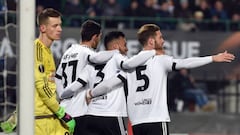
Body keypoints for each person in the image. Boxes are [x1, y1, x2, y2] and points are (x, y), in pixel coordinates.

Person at [86, 24, 235, 135]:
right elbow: (186, 62)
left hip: (137, 122)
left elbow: (110, 83)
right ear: (151, 41)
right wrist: (213, 58)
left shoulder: (130, 64)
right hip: (156, 119)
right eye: (160, 37)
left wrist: (92, 93)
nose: (163, 41)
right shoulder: (161, 60)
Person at [61, 30, 156, 135]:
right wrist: (152, 52)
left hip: (91, 116)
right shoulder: (118, 58)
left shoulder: (91, 63)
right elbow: (116, 78)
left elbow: (74, 86)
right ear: (116, 47)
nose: (127, 49)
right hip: (111, 115)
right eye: (124, 45)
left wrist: (62, 95)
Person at [55, 20, 118, 135]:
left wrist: (62, 95)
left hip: (64, 111)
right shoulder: (86, 52)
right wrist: (116, 52)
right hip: (79, 110)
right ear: (95, 37)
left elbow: (58, 77)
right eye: (99, 37)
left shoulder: (68, 52)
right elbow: (97, 58)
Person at [34, 8, 75, 135]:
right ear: (43, 28)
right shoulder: (37, 50)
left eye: (60, 25)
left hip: (49, 116)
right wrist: (61, 113)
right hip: (40, 120)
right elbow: (42, 86)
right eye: (55, 26)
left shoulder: (47, 50)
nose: (60, 29)